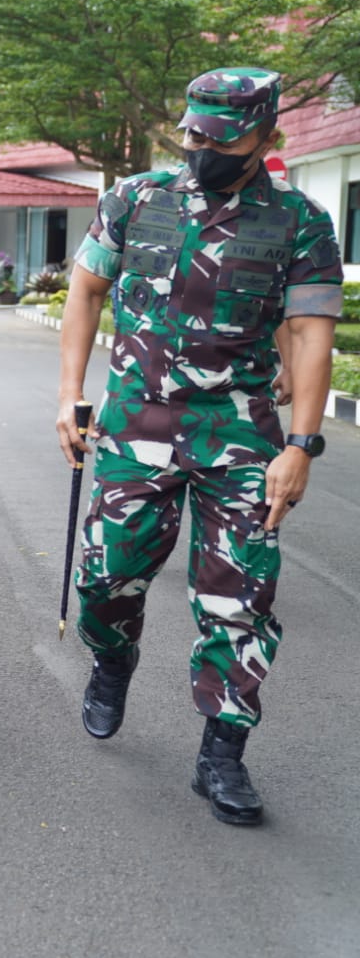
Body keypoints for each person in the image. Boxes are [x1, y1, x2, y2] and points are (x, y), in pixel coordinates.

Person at [56, 67, 342, 826]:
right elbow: (86, 290)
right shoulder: (136, 198)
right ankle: (112, 658)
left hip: (241, 439)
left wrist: (303, 445)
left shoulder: (301, 222)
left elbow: (313, 335)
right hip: (132, 428)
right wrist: (70, 395)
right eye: (194, 133)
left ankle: (223, 750)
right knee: (104, 579)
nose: (203, 148)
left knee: (241, 599)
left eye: (223, 136)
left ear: (266, 136)